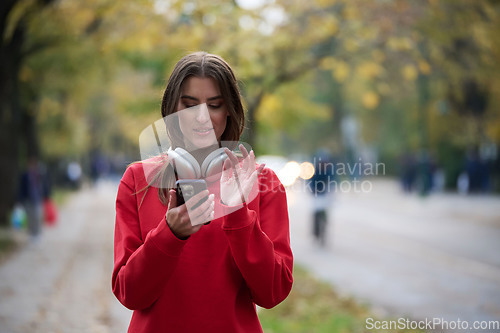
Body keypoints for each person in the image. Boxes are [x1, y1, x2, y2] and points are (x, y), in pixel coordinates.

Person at [112, 52, 293, 333]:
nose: (202, 117)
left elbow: (273, 292)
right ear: (172, 108)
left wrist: (238, 216)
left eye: (215, 105)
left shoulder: (262, 182)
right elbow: (129, 293)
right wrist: (169, 236)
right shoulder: (138, 180)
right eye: (189, 104)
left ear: (230, 109)